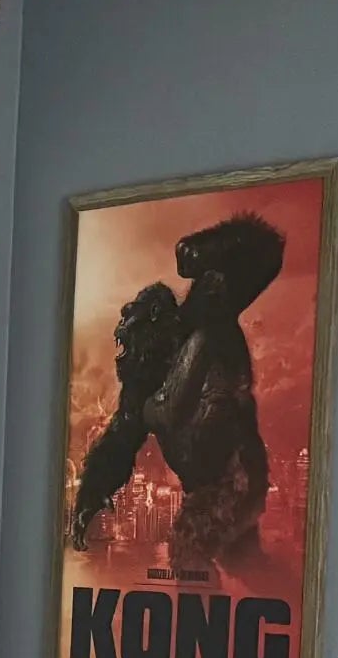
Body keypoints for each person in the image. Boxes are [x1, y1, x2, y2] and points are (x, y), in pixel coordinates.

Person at [69, 213, 284, 569]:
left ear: (155, 319)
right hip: (209, 486)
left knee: (191, 553)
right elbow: (120, 440)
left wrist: (210, 246)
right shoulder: (143, 380)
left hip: (236, 475)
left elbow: (268, 250)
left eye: (130, 322)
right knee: (244, 565)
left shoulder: (204, 317)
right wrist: (91, 495)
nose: (122, 336)